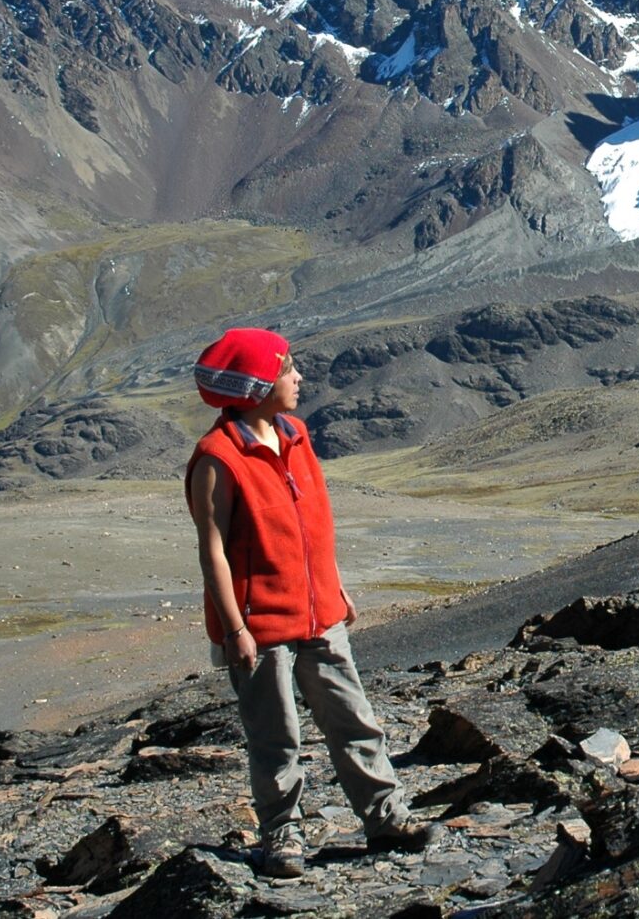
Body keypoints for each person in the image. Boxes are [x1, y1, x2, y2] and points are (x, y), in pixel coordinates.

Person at [185, 326, 427, 878]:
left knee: (353, 718)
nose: (298, 378)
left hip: (320, 612)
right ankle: (282, 836)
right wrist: (234, 629)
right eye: (286, 370)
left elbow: (314, 523)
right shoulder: (218, 457)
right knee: (276, 736)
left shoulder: (295, 434)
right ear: (256, 384)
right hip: (260, 624)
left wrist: (335, 586)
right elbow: (213, 552)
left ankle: (386, 816)